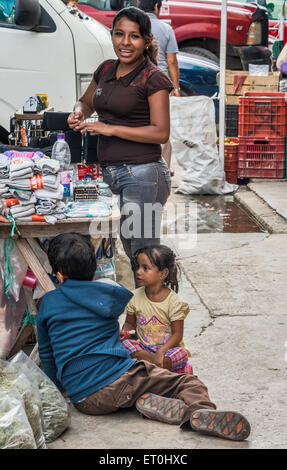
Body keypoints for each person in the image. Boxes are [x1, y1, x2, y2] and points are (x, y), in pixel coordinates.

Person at [37, 232, 251, 442]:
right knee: (188, 383)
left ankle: (143, 402)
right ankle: (197, 412)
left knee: (134, 386)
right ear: (94, 269)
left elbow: (47, 355)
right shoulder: (107, 297)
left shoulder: (48, 303)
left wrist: (61, 391)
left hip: (84, 400)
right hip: (120, 379)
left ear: (59, 274)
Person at [67, 7, 172, 264]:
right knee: (130, 247)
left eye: (134, 36)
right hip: (112, 173)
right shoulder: (106, 70)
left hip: (143, 175)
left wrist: (108, 128)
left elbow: (161, 132)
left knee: (144, 255)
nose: (125, 43)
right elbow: (86, 102)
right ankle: (144, 304)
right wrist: (78, 113)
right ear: (112, 35)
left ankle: (153, 305)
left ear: (146, 41)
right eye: (119, 34)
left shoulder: (153, 78)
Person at [120, 244, 193, 375]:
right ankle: (157, 367)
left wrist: (161, 351)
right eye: (138, 266)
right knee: (125, 345)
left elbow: (177, 335)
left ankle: (149, 367)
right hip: (144, 349)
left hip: (167, 350)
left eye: (145, 268)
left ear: (163, 274)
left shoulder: (173, 301)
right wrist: (124, 331)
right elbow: (130, 323)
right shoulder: (134, 297)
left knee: (181, 353)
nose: (138, 271)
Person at [138, 0, 180, 172]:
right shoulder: (165, 28)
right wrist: (175, 87)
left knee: (140, 122)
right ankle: (164, 168)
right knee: (162, 126)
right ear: (156, 6)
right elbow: (171, 60)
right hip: (161, 84)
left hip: (138, 81)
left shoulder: (134, 26)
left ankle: (142, 164)